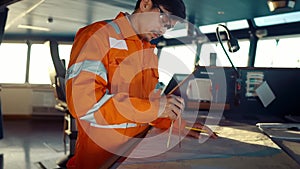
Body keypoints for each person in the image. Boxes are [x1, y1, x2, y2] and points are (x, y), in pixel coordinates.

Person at [65, 0, 217, 168]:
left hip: (134, 153)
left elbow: (151, 104)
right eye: (163, 21)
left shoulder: (148, 52)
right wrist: (156, 108)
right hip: (100, 160)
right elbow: (83, 105)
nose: (162, 31)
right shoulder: (97, 36)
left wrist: (180, 126)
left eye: (168, 28)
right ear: (145, 4)